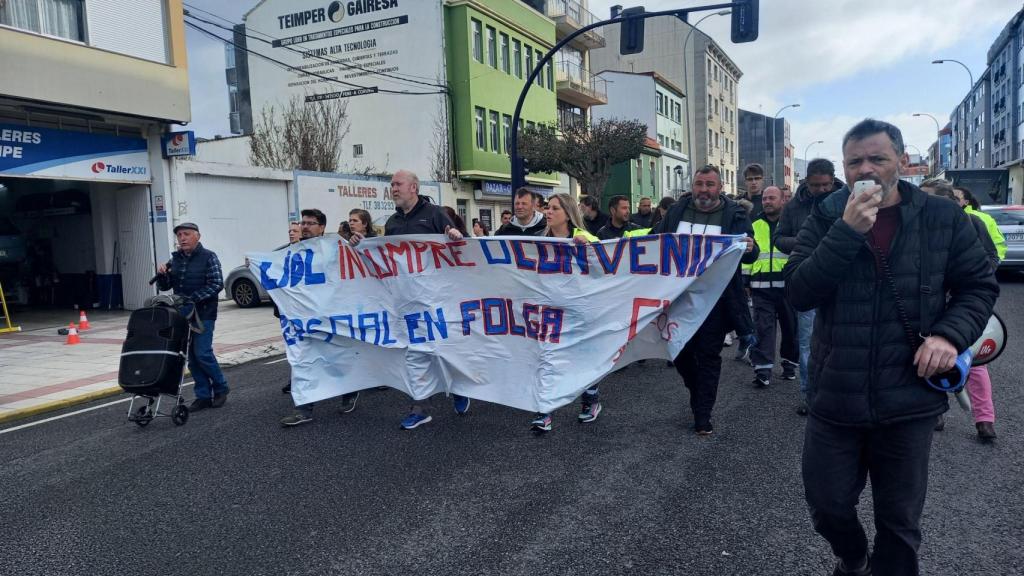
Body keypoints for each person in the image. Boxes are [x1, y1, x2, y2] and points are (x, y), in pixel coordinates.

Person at [785, 119, 998, 576]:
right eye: (855, 161)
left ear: (901, 162)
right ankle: (853, 556)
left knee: (900, 526)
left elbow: (978, 287)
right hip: (835, 395)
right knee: (827, 507)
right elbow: (799, 292)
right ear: (844, 169)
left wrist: (948, 335)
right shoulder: (827, 215)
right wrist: (846, 232)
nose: (866, 168)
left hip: (908, 397)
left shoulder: (941, 217)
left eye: (877, 158)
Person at [350, 170, 468, 430]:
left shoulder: (436, 215)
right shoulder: (392, 222)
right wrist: (361, 244)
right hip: (407, 302)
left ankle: (459, 388)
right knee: (414, 353)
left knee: (442, 350)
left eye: (397, 184)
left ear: (413, 187)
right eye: (392, 184)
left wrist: (457, 239)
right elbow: (385, 258)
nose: (393, 188)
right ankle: (420, 407)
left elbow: (463, 250)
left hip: (438, 299)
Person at [651, 165, 758, 436]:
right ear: (693, 185)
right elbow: (655, 241)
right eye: (700, 183)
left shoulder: (735, 214)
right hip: (678, 298)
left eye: (710, 184)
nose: (704, 190)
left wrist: (751, 248)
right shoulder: (677, 211)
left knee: (708, 355)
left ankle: (703, 414)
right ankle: (698, 392)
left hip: (717, 301)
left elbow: (749, 253)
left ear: (720, 188)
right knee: (679, 352)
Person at [921, 180, 1000, 440]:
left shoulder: (973, 223)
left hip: (963, 304)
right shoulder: (919, 226)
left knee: (974, 363)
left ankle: (984, 419)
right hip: (932, 303)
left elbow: (990, 256)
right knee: (931, 357)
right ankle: (936, 412)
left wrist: (968, 284)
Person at [775, 158, 844, 416]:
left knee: (843, 342)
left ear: (833, 179)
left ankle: (838, 394)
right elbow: (779, 239)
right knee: (808, 343)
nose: (822, 190)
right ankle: (809, 394)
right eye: (816, 185)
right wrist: (808, 243)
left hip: (843, 282)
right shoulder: (794, 206)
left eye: (826, 184)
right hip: (809, 279)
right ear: (806, 182)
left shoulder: (848, 199)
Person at [281, 209, 360, 426]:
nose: (305, 226)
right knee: (302, 361)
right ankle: (303, 409)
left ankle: (350, 392)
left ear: (322, 227)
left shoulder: (333, 249)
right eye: (303, 223)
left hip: (331, 315)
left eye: (311, 223)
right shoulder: (292, 251)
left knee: (337, 358)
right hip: (302, 318)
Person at [528, 193, 600, 433]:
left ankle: (591, 401)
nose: (548, 212)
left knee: (583, 360)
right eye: (547, 208)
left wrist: (588, 248)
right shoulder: (540, 240)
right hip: (549, 311)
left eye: (554, 208)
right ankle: (544, 412)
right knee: (547, 358)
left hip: (580, 311)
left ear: (568, 214)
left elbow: (606, 264)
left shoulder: (584, 238)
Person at [155, 222, 228, 411]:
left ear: (198, 236)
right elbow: (165, 286)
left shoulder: (209, 257)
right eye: (179, 235)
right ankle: (203, 395)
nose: (182, 238)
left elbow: (217, 284)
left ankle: (221, 388)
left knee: (202, 353)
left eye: (186, 234)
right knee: (191, 358)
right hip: (183, 314)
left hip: (204, 313)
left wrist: (192, 299)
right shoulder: (175, 259)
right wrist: (162, 275)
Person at [747, 187, 798, 388]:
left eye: (772, 198)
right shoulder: (755, 224)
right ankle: (762, 370)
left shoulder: (791, 225)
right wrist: (745, 281)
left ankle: (789, 364)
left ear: (782, 201)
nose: (767, 201)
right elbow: (748, 254)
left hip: (788, 287)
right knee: (763, 328)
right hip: (760, 287)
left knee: (790, 328)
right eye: (765, 198)